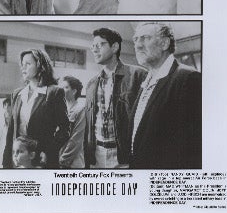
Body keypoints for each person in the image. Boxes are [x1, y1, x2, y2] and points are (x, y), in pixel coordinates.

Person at [128, 22, 203, 169]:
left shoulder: (189, 78)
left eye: (145, 38)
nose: (138, 45)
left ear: (164, 43)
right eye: (136, 39)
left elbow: (193, 147)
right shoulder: (146, 81)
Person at [81, 27, 145, 169]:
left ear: (115, 47)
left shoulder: (137, 75)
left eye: (99, 45)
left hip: (124, 156)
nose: (94, 50)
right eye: (93, 46)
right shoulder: (92, 83)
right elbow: (89, 125)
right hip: (96, 155)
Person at [0, 48, 68, 169]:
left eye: (28, 64)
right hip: (17, 160)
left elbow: (65, 129)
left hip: (42, 160)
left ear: (40, 66)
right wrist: (6, 162)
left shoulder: (54, 92)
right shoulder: (17, 94)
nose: (23, 67)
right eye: (22, 64)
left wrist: (49, 151)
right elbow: (11, 132)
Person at [57, 75, 90, 168]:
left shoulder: (81, 110)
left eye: (65, 87)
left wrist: (62, 160)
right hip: (57, 159)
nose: (61, 90)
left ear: (74, 91)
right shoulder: (59, 109)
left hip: (73, 163)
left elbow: (76, 140)